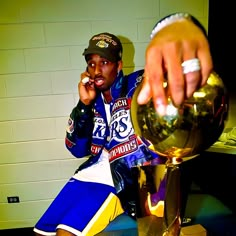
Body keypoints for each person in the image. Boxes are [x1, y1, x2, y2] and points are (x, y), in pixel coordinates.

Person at [33, 12, 213, 236]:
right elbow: (76, 149)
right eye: (91, 64)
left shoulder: (138, 84)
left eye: (104, 63)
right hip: (86, 174)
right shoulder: (91, 100)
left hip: (120, 180)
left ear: (118, 66)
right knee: (41, 232)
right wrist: (83, 105)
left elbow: (173, 75)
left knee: (64, 233)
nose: (97, 70)